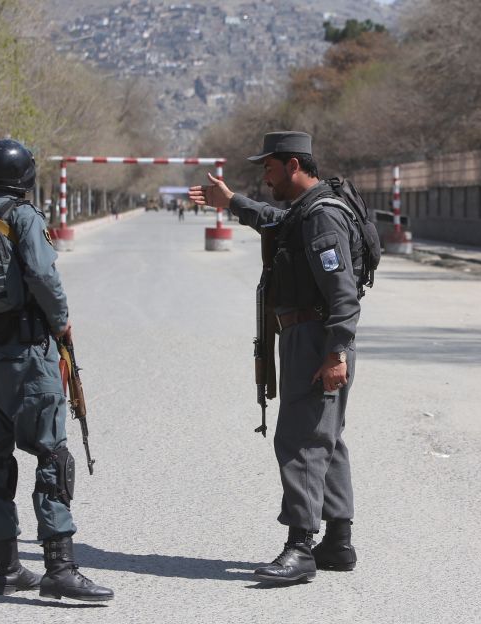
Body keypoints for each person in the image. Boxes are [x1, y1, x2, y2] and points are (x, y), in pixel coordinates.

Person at [0, 139, 113, 601]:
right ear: (24, 179)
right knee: (52, 456)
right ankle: (59, 569)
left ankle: (9, 569)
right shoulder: (23, 217)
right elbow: (42, 275)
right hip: (27, 357)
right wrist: (62, 323)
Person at [189, 131, 362, 584]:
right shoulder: (306, 212)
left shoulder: (322, 218)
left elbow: (344, 294)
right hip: (309, 335)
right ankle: (338, 542)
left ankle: (300, 546)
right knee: (326, 437)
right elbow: (273, 219)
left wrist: (336, 351)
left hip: (317, 338)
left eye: (269, 167)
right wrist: (230, 201)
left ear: (292, 165)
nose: (265, 177)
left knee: (299, 441)